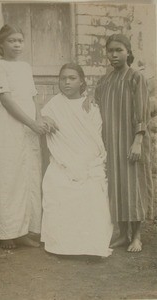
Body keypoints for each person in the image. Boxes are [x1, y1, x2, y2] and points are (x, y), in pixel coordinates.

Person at [0, 24, 56, 249]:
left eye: (20, 41)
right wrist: (32, 123)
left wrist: (39, 119)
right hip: (7, 125)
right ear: (1, 44)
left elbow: (33, 97)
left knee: (27, 176)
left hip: (28, 129)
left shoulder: (24, 67)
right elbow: (6, 100)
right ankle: (5, 233)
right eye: (11, 40)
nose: (16, 44)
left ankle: (23, 231)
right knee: (7, 176)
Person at [41, 63, 113, 257]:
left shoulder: (91, 105)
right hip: (63, 161)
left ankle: (90, 246)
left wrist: (83, 162)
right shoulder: (54, 104)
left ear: (81, 81)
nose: (67, 82)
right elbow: (44, 120)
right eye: (63, 78)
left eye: (72, 78)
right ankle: (62, 245)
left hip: (87, 160)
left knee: (90, 186)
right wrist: (45, 120)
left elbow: (94, 137)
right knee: (56, 181)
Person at [95, 34, 153, 252]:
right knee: (116, 186)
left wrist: (137, 140)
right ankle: (122, 234)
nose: (114, 55)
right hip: (111, 142)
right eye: (110, 51)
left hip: (132, 142)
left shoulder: (135, 78)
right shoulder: (104, 81)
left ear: (128, 52)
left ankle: (136, 236)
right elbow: (98, 112)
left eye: (119, 50)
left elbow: (142, 112)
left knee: (133, 186)